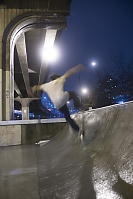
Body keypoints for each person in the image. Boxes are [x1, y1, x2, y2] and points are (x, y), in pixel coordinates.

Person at [32, 64, 84, 133]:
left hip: (57, 104)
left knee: (67, 117)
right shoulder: (59, 80)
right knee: (73, 93)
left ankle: (77, 130)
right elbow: (69, 72)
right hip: (63, 98)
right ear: (56, 78)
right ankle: (78, 106)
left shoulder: (46, 85)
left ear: (51, 79)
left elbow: (34, 87)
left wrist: (33, 95)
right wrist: (78, 68)